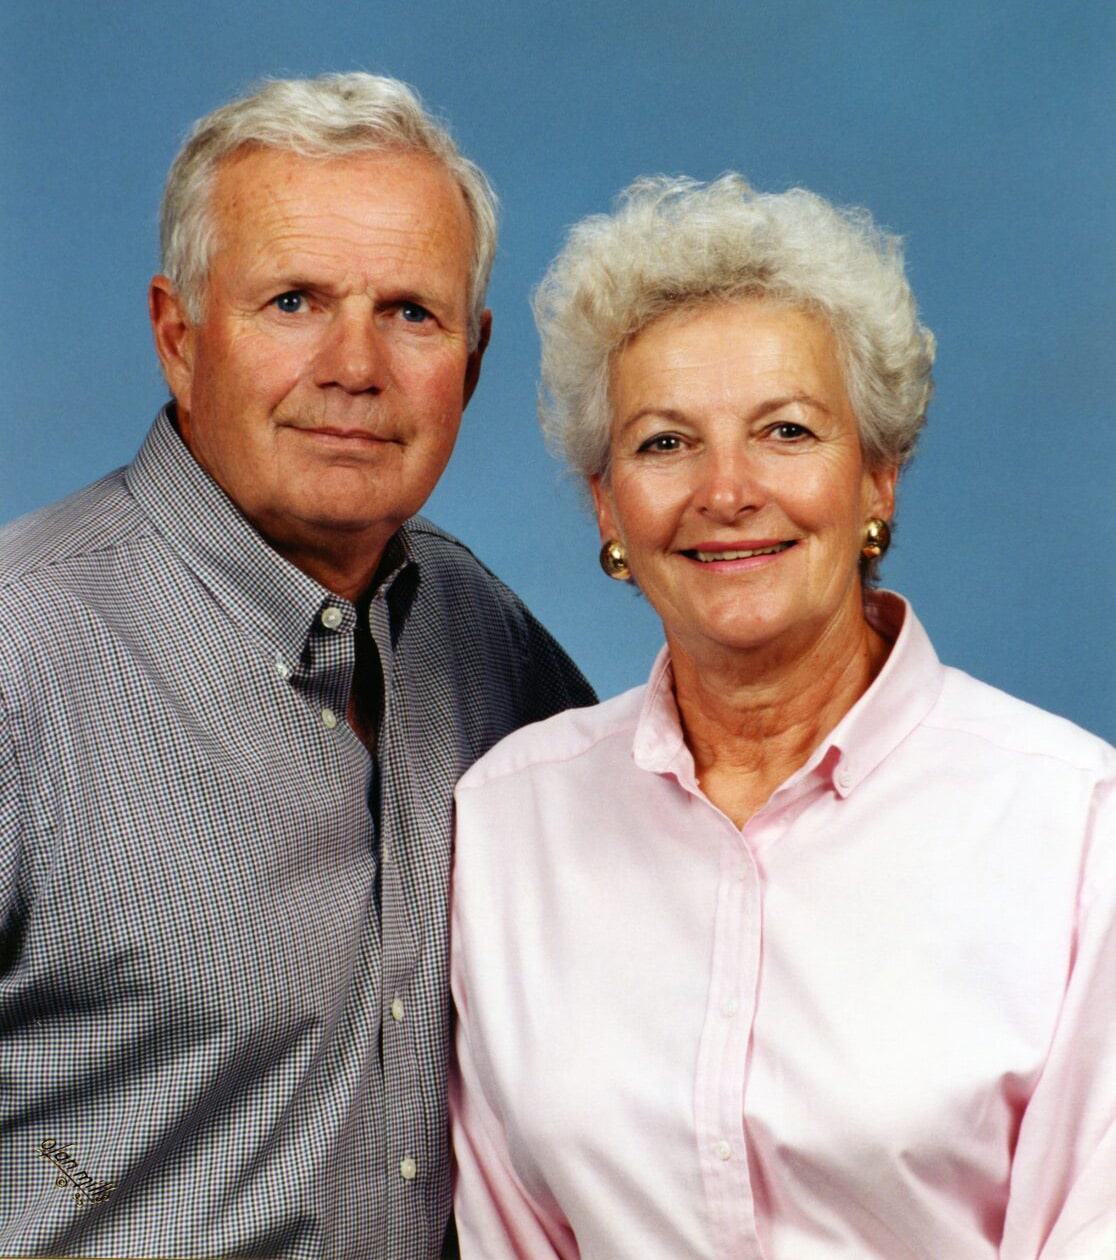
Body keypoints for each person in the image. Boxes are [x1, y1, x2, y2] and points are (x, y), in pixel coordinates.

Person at [449, 175, 1116, 1258]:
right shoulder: (507, 826)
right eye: (666, 443)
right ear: (607, 506)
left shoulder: (1075, 824)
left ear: (877, 480)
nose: (728, 490)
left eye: (787, 431)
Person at [0, 73, 593, 1259]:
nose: (355, 365)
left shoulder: (484, 639)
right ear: (179, 334)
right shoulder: (22, 664)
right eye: (293, 301)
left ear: (470, 366)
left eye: (411, 314)